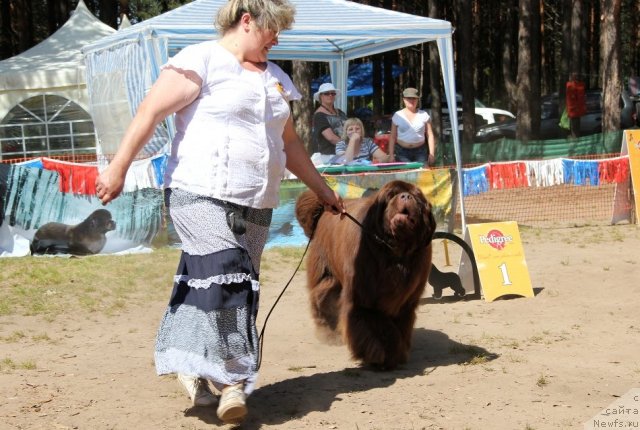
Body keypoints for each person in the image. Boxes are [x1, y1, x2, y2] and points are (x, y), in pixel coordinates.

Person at [94, 0, 344, 424]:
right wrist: (118, 166)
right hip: (199, 192)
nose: (278, 39)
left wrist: (323, 191)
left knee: (217, 282)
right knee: (230, 274)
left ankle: (193, 368)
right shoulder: (201, 60)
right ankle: (232, 382)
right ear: (247, 21)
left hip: (257, 201)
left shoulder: (276, 79)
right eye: (273, 30)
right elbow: (151, 111)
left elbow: (292, 146)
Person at [387, 87, 436, 167]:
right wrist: (391, 154)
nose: (411, 101)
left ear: (417, 100)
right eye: (409, 98)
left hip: (421, 152)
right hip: (402, 152)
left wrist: (431, 154)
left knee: (422, 174)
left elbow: (430, 135)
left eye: (414, 98)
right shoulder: (397, 115)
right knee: (405, 176)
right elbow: (392, 137)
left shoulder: (424, 115)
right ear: (404, 99)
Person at [312, 82, 347, 163]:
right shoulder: (319, 115)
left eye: (332, 93)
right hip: (328, 157)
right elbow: (331, 138)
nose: (330, 95)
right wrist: (349, 146)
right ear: (321, 96)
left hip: (344, 154)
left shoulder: (341, 112)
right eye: (326, 93)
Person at [566, 72, 586, 138]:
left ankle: (574, 137)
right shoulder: (581, 86)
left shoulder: (570, 85)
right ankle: (575, 136)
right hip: (577, 110)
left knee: (574, 127)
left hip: (573, 110)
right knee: (576, 126)